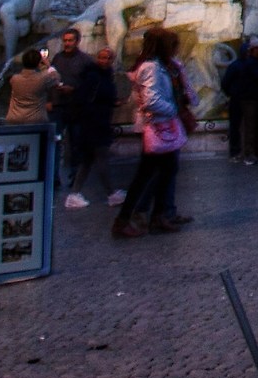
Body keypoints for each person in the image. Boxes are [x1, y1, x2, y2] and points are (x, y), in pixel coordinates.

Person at [114, 25, 195, 238]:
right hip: (159, 126)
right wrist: (174, 111)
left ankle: (159, 216)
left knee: (164, 172)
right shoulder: (150, 67)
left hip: (163, 125)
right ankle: (125, 220)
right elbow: (152, 100)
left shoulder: (160, 66)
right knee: (146, 176)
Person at [48, 26, 95, 205]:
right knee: (56, 143)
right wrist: (49, 99)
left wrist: (74, 89)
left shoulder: (85, 61)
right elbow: (49, 79)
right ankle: (54, 177)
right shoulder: (57, 58)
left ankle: (75, 178)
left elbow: (91, 85)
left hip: (77, 107)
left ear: (77, 41)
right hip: (58, 107)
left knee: (76, 144)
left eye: (70, 40)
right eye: (65, 40)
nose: (67, 44)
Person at [68, 47, 121, 205]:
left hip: (96, 121)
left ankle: (74, 195)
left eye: (108, 58)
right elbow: (87, 98)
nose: (104, 61)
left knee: (88, 160)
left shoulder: (104, 75)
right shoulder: (93, 76)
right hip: (94, 122)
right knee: (101, 157)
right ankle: (111, 194)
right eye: (101, 57)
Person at [221, 39, 258, 166]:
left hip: (240, 98)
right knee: (247, 126)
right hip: (246, 99)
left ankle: (237, 152)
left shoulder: (238, 65)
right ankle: (245, 152)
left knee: (238, 126)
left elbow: (225, 83)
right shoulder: (249, 65)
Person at [5, 47, 56, 126]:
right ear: (38, 63)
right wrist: (47, 65)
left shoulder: (14, 79)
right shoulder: (44, 78)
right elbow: (56, 78)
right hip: (35, 120)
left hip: (14, 119)